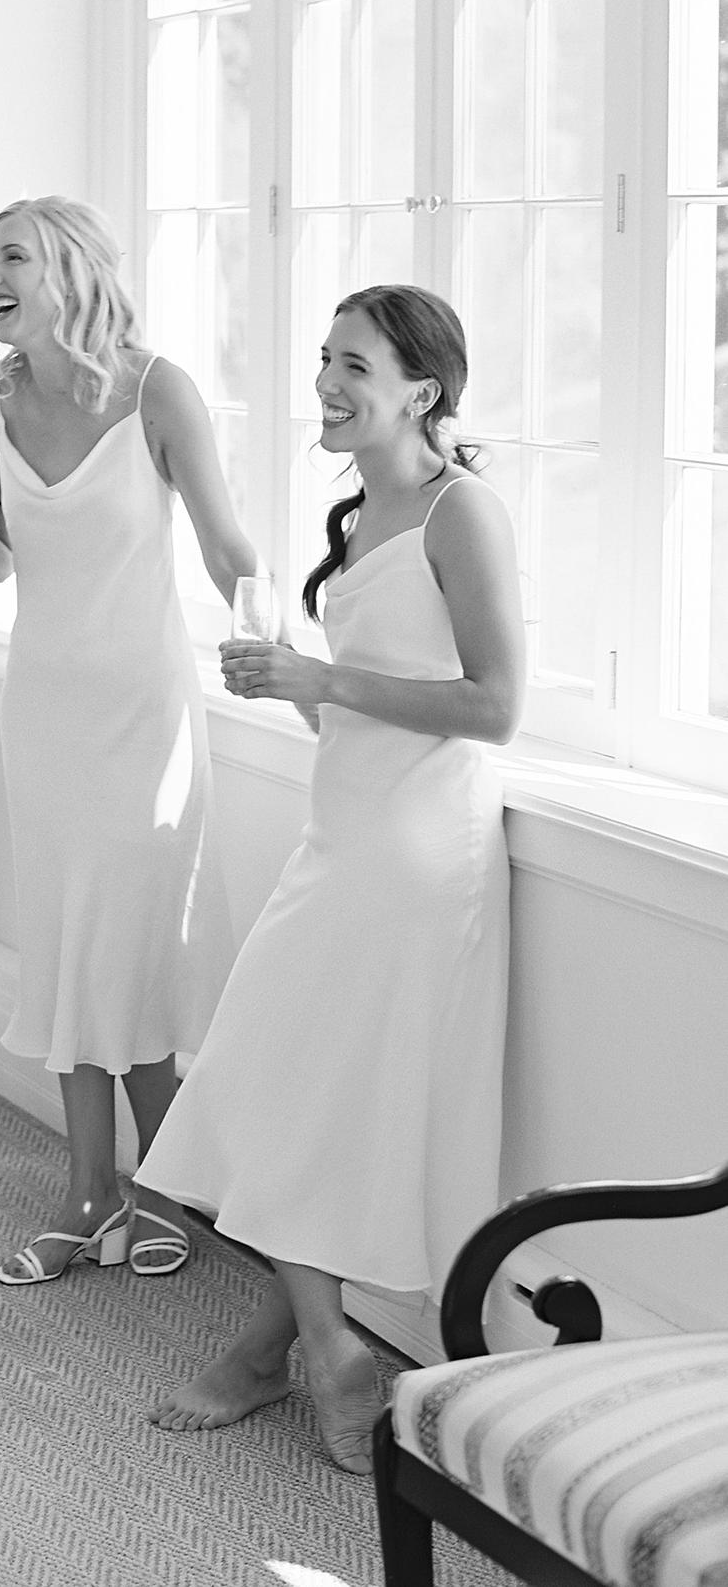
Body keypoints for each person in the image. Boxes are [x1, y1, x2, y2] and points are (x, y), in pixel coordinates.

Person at [135, 283, 524, 1473]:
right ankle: (305, 1347)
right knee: (278, 1090)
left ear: (422, 388)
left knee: (299, 1095)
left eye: (353, 364)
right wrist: (295, 683)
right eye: (323, 358)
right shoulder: (360, 517)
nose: (327, 382)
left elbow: (495, 707)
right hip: (344, 834)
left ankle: (317, 1355)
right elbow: (359, 708)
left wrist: (321, 683)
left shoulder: (465, 513)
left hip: (419, 858)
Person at [0, 195, 258, 1287]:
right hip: (49, 714)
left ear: (69, 266)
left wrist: (281, 632)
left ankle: (156, 1182)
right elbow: (6, 557)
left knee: (139, 943)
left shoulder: (157, 387)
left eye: (10, 256)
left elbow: (223, 543)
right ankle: (89, 1192)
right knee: (72, 942)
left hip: (145, 714)